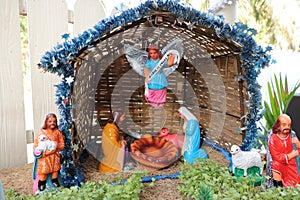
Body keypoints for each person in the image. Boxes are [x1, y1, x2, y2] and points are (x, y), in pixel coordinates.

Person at [32, 113, 65, 192]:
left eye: (54, 121)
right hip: (45, 157)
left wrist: (55, 148)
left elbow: (62, 144)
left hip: (54, 156)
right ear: (46, 122)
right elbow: (36, 145)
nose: (52, 123)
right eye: (50, 121)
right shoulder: (42, 133)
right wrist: (44, 152)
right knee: (43, 170)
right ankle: (42, 183)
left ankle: (55, 181)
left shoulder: (57, 132)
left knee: (55, 170)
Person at [268, 114, 300, 187]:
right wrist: (291, 155)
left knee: (295, 181)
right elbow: (276, 156)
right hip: (281, 164)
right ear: (278, 125)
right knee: (276, 165)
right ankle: (279, 189)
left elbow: (298, 150)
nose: (287, 127)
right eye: (284, 125)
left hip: (292, 164)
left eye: (289, 125)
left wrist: (298, 144)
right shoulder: (273, 139)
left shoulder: (292, 136)